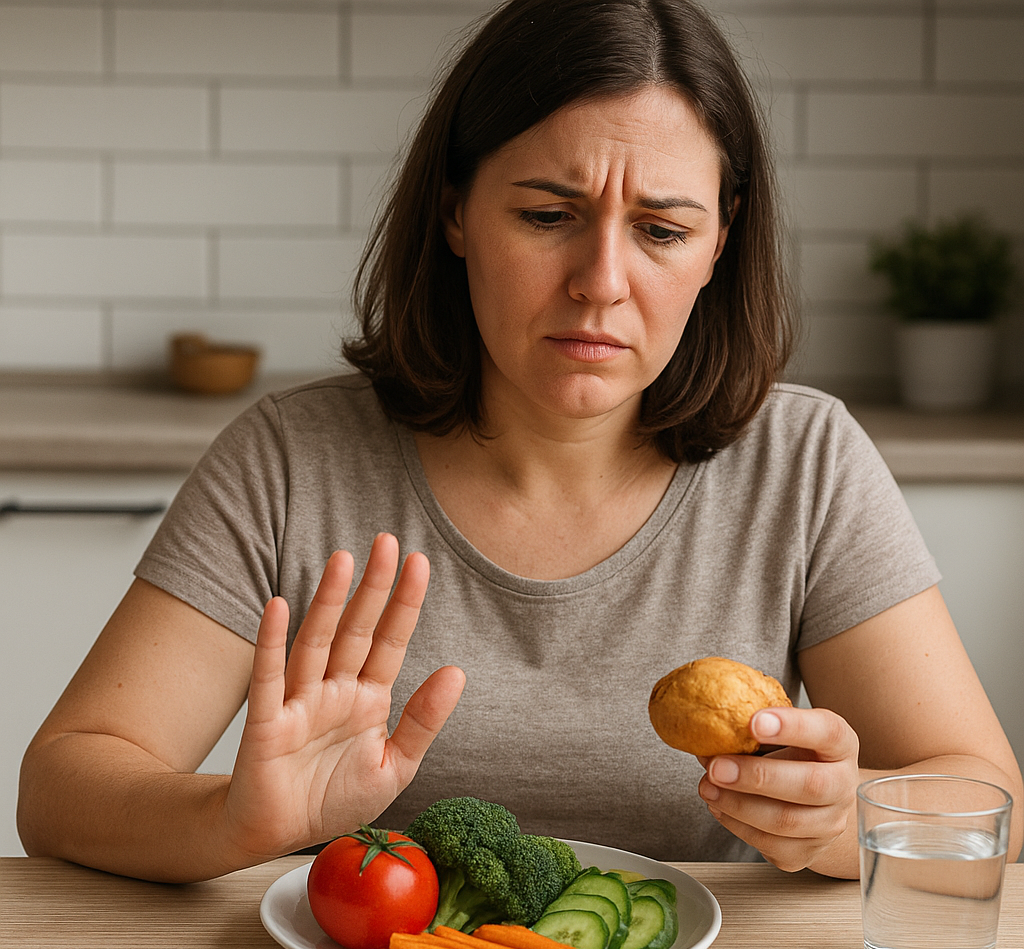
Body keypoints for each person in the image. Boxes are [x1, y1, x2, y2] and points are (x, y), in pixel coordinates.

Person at [19, 0, 1021, 883]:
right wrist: (230, 818)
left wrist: (847, 819)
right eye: (548, 214)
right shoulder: (290, 460)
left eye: (662, 232)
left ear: (720, 240)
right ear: (454, 210)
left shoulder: (806, 462)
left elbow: (989, 800)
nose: (599, 280)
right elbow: (63, 783)